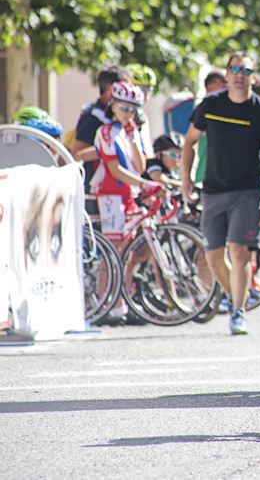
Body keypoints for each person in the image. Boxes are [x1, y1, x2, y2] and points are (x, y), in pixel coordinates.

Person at [181, 52, 260, 335]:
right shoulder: (210, 105)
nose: (240, 75)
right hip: (213, 190)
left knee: (239, 252)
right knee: (213, 257)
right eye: (235, 69)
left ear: (253, 76)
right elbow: (189, 142)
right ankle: (235, 295)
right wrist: (186, 179)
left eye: (246, 70)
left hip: (248, 192)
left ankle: (238, 311)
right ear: (226, 74)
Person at [92, 82, 165, 323]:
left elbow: (141, 167)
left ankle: (121, 303)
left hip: (130, 196)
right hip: (112, 196)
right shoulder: (105, 132)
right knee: (113, 252)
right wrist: (145, 185)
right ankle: (104, 302)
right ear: (113, 105)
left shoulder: (128, 132)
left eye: (133, 109)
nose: (128, 113)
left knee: (127, 254)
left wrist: (134, 138)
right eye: (124, 107)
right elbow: (114, 169)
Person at [70, 65, 132, 211]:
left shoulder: (121, 121)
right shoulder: (93, 116)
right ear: (111, 89)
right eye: (125, 86)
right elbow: (76, 155)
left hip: (120, 191)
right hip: (96, 193)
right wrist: (106, 148)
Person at [192, 69, 228, 187]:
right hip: (206, 172)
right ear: (217, 82)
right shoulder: (204, 107)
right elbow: (190, 142)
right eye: (225, 82)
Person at [127, 63, 158, 157]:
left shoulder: (142, 115)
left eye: (149, 90)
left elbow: (146, 148)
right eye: (142, 89)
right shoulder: (120, 114)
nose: (146, 95)